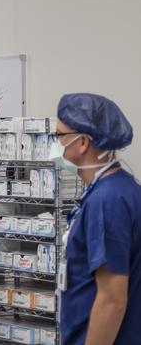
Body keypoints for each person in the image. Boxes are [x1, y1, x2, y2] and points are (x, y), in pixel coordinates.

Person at [50, 93, 140, 345]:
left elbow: (112, 299)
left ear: (82, 143)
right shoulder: (112, 190)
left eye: (59, 136)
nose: (55, 144)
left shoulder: (108, 200)